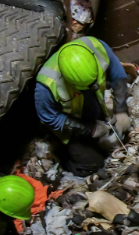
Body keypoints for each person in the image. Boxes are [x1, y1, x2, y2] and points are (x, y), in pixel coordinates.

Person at [35, 36, 130, 176]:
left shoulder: (96, 47)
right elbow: (49, 118)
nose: (95, 86)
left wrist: (121, 111)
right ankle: (64, 156)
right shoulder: (46, 87)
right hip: (70, 123)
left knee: (121, 136)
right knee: (93, 165)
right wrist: (90, 129)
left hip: (90, 103)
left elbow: (118, 75)